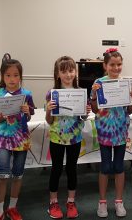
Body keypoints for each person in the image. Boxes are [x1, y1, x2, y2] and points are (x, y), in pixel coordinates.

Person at [90, 48, 132, 218]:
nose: (116, 68)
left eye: (119, 64)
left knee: (119, 166)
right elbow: (95, 109)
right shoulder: (98, 82)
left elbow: (130, 110)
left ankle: (119, 201)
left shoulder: (126, 83)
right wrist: (94, 95)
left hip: (120, 130)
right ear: (105, 65)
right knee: (105, 166)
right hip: (104, 130)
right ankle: (102, 202)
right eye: (112, 64)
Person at [45, 56, 91, 219]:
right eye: (63, 71)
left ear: (75, 72)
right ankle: (53, 202)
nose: (68, 74)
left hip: (74, 138)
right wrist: (49, 110)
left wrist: (86, 112)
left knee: (72, 170)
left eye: (71, 70)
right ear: (57, 74)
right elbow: (49, 121)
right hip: (56, 138)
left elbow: (83, 118)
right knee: (56, 169)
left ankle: (71, 201)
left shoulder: (80, 92)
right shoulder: (52, 94)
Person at [0, 54, 35, 220]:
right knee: (2, 174)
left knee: (18, 174)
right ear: (3, 76)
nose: (12, 79)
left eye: (16, 75)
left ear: (20, 77)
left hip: (21, 138)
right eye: (8, 75)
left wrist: (26, 112)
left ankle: (12, 208)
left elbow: (29, 116)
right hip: (3, 138)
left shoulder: (26, 94)